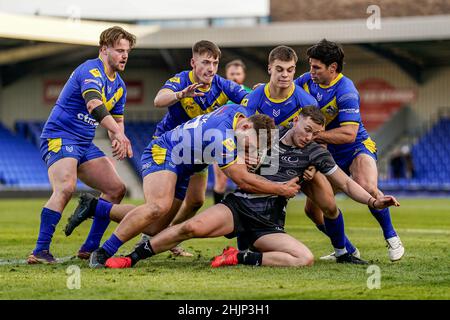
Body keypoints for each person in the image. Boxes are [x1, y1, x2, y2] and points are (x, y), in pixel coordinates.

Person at [104, 107, 400, 269]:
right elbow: (243, 174)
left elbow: (347, 183)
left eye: (316, 134)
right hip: (239, 206)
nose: (309, 137)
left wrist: (373, 201)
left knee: (304, 258)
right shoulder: (268, 136)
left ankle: (238, 257)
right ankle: (132, 257)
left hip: (269, 223)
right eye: (307, 130)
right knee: (189, 228)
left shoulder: (316, 153)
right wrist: (270, 179)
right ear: (296, 122)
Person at [82, 104, 300, 268]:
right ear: (245, 126)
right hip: (165, 151)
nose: (249, 149)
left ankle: (95, 207)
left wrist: (247, 150)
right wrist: (280, 189)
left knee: (153, 228)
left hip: (186, 165)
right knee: (158, 206)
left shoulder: (239, 111)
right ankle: (103, 251)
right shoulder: (223, 137)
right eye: (249, 145)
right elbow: (242, 180)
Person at [240, 45, 360, 259]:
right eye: (279, 69)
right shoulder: (256, 97)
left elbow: (317, 138)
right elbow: (242, 131)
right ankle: (245, 247)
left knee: (329, 205)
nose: (284, 75)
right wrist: (247, 156)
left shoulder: (306, 101)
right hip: (266, 162)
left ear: (295, 70)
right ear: (270, 69)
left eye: (289, 69)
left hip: (302, 162)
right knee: (248, 200)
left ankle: (343, 252)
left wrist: (313, 166)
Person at [27, 26, 136, 264]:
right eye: (119, 50)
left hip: (84, 143)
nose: (124, 55)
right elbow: (93, 105)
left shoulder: (119, 86)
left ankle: (89, 247)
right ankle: (40, 251)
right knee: (66, 187)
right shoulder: (90, 70)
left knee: (116, 189)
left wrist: (118, 136)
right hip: (60, 135)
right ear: (104, 50)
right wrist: (118, 132)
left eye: (127, 51)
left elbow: (118, 120)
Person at [295, 39, 405, 261]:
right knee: (313, 210)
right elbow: (285, 92)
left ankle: (392, 237)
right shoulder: (306, 81)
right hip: (327, 152)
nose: (311, 71)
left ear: (332, 68)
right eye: (310, 65)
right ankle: (346, 249)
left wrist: (311, 135)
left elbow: (349, 134)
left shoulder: (346, 90)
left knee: (367, 186)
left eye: (316, 67)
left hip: (355, 147)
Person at [213, 59, 252, 205]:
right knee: (220, 180)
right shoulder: (219, 94)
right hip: (221, 140)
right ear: (226, 75)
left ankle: (240, 212)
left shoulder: (250, 94)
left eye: (238, 73)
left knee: (242, 179)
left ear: (243, 75)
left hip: (243, 142)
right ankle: (216, 213)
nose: (235, 76)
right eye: (232, 74)